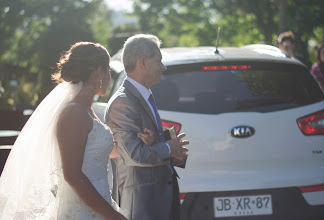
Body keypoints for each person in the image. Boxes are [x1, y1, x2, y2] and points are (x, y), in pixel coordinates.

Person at [0, 42, 151, 219]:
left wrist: (139, 140)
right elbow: (72, 174)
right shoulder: (74, 113)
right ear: (98, 72)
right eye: (108, 70)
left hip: (98, 204)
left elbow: (104, 152)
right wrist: (111, 214)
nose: (110, 77)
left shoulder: (87, 110)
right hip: (81, 210)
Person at [105, 34, 189, 220]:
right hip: (142, 204)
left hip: (157, 199)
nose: (163, 67)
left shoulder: (143, 95)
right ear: (142, 62)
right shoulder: (123, 102)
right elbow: (134, 155)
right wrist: (168, 148)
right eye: (159, 60)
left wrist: (172, 150)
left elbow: (148, 145)